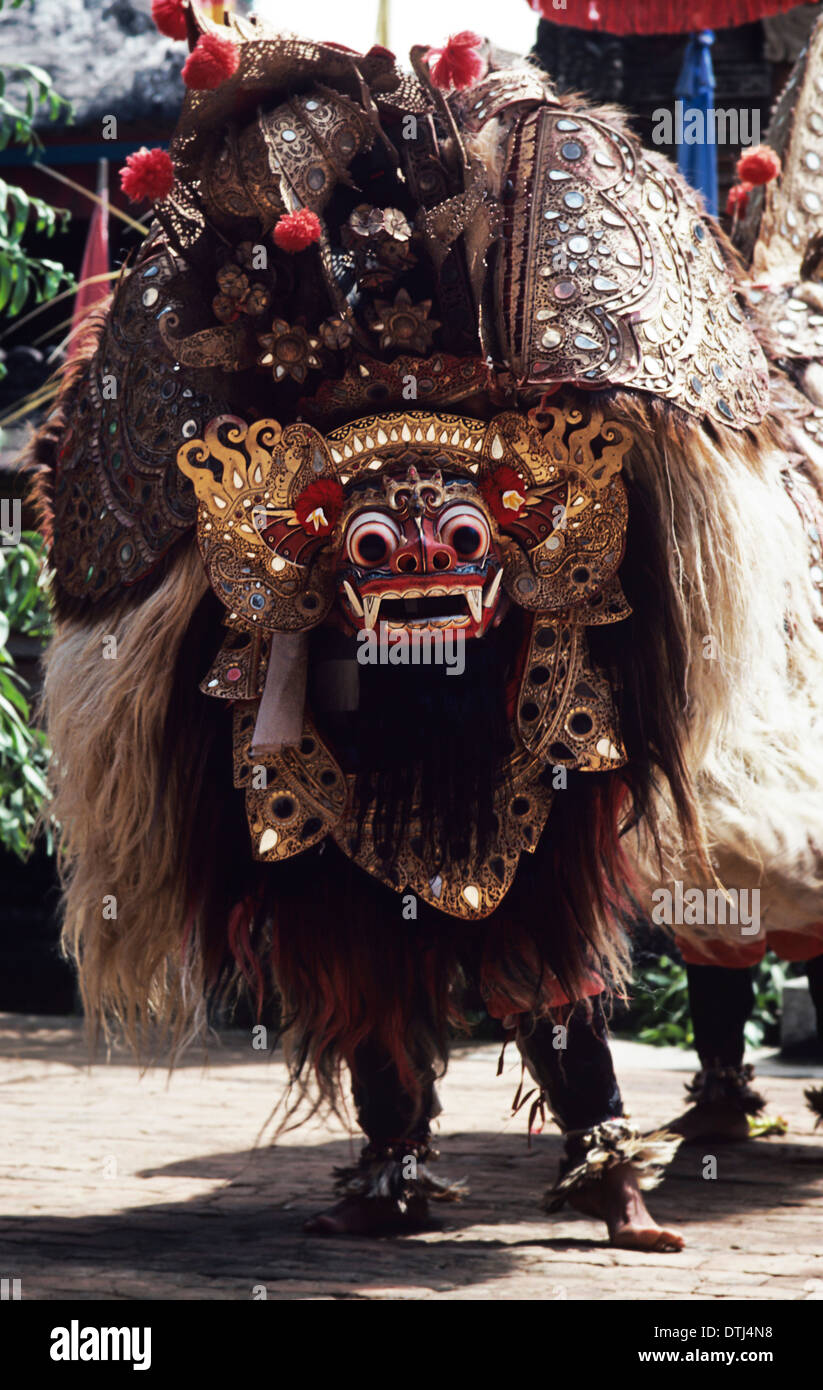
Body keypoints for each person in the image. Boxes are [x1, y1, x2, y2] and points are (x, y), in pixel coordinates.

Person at [32, 8, 823, 1255]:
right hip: (341, 721)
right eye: (376, 541)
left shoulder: (557, 606)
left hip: (502, 716)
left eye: (450, 536)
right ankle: (394, 1151)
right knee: (356, 959)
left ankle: (602, 1156)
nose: (413, 560)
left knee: (543, 949)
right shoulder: (280, 618)